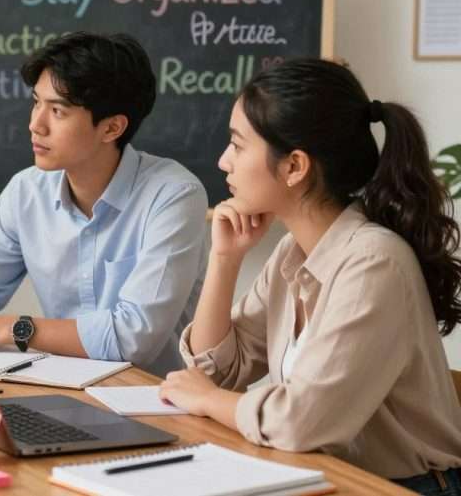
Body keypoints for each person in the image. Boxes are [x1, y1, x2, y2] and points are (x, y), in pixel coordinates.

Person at [159, 58, 461, 494]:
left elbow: (299, 421)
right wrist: (225, 261)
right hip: (326, 477)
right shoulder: (295, 251)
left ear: (294, 167)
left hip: (404, 488)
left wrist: (207, 400)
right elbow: (221, 373)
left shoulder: (375, 262)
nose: (224, 161)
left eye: (238, 145)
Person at [0, 32, 208, 376]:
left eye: (57, 111)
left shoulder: (174, 195)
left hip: (155, 402)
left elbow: (135, 338)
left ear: (111, 128)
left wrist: (10, 329)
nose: (35, 124)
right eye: (36, 102)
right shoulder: (26, 190)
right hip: (58, 388)